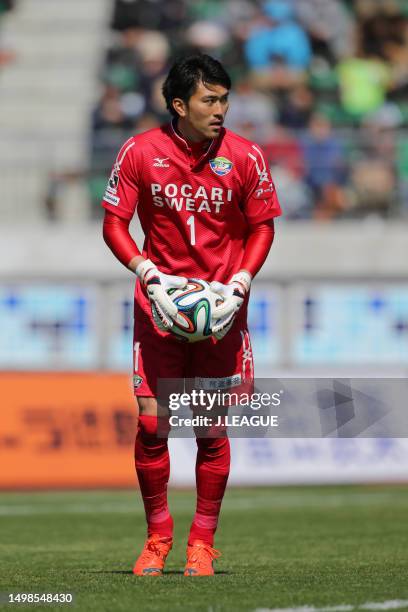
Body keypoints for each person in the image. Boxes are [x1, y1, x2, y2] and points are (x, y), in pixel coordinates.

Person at [102, 54, 281, 577]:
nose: (220, 109)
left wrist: (241, 282)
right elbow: (114, 223)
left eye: (224, 99)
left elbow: (263, 227)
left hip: (220, 311)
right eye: (209, 100)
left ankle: (202, 543)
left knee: (210, 430)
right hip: (159, 307)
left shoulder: (246, 157)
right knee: (153, 423)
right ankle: (157, 539)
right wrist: (147, 273)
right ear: (180, 105)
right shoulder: (139, 152)